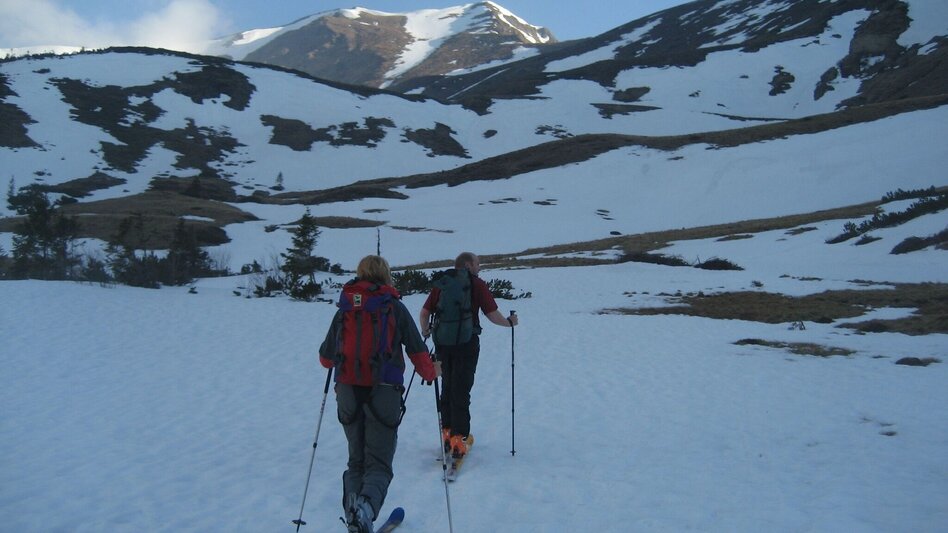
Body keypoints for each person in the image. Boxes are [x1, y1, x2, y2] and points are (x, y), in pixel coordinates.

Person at [319, 255, 440, 533]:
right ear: (386, 274)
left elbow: (326, 359)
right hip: (384, 393)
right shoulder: (393, 306)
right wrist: (432, 373)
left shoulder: (345, 308)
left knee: (356, 460)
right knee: (379, 464)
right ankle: (364, 511)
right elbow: (417, 350)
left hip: (347, 391)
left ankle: (354, 513)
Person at [419, 252, 518, 459]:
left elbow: (425, 312)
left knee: (447, 386)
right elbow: (492, 314)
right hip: (467, 343)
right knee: (461, 389)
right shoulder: (476, 284)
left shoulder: (443, 283)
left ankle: (446, 433)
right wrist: (509, 323)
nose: (479, 267)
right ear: (468, 265)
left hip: (443, 343)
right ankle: (459, 439)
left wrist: (426, 331)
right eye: (477, 263)